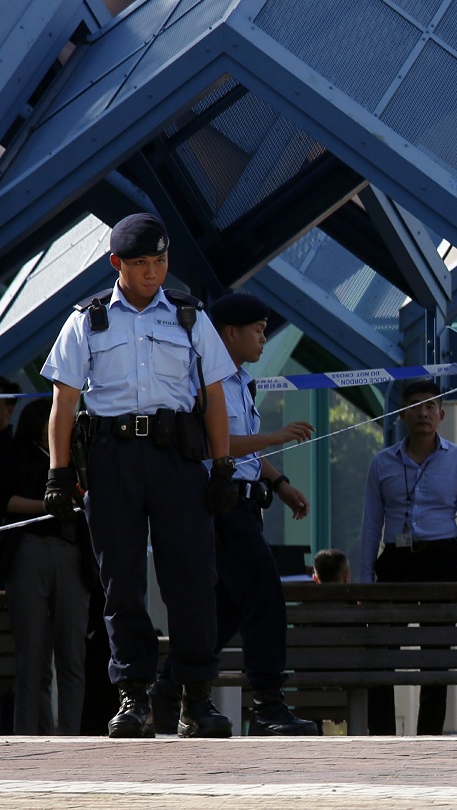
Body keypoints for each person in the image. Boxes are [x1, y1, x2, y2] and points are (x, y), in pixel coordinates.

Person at [41, 212, 238, 739]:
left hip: (177, 459)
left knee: (192, 579)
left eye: (160, 261)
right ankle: (133, 697)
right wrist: (58, 474)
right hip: (111, 460)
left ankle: (196, 700)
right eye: (141, 264)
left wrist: (222, 467)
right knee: (120, 583)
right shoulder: (87, 319)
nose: (153, 273)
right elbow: (64, 402)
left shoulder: (191, 317)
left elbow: (214, 396)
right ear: (116, 264)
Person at [147, 292, 320, 737]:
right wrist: (275, 437)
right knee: (264, 595)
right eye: (259, 331)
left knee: (222, 612)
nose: (264, 339)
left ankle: (166, 693)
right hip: (216, 502)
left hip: (244, 500)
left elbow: (241, 445)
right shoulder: (204, 380)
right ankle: (269, 705)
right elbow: (214, 445)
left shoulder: (241, 380)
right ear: (229, 333)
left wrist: (279, 485)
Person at [360, 379, 457, 735]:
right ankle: (381, 735)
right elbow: (371, 526)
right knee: (383, 651)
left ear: (441, 414)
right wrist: (365, 580)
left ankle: (429, 737)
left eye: (430, 406)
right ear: (402, 414)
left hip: (441, 559)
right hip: (395, 559)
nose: (423, 413)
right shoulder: (382, 463)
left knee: (435, 655)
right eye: (415, 406)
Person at [3, 399, 92, 734]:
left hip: (72, 553)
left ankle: (71, 735)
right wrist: (48, 505)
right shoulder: (18, 455)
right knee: (32, 658)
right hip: (29, 549)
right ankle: (28, 734)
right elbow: (6, 500)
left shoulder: (78, 459)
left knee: (72, 655)